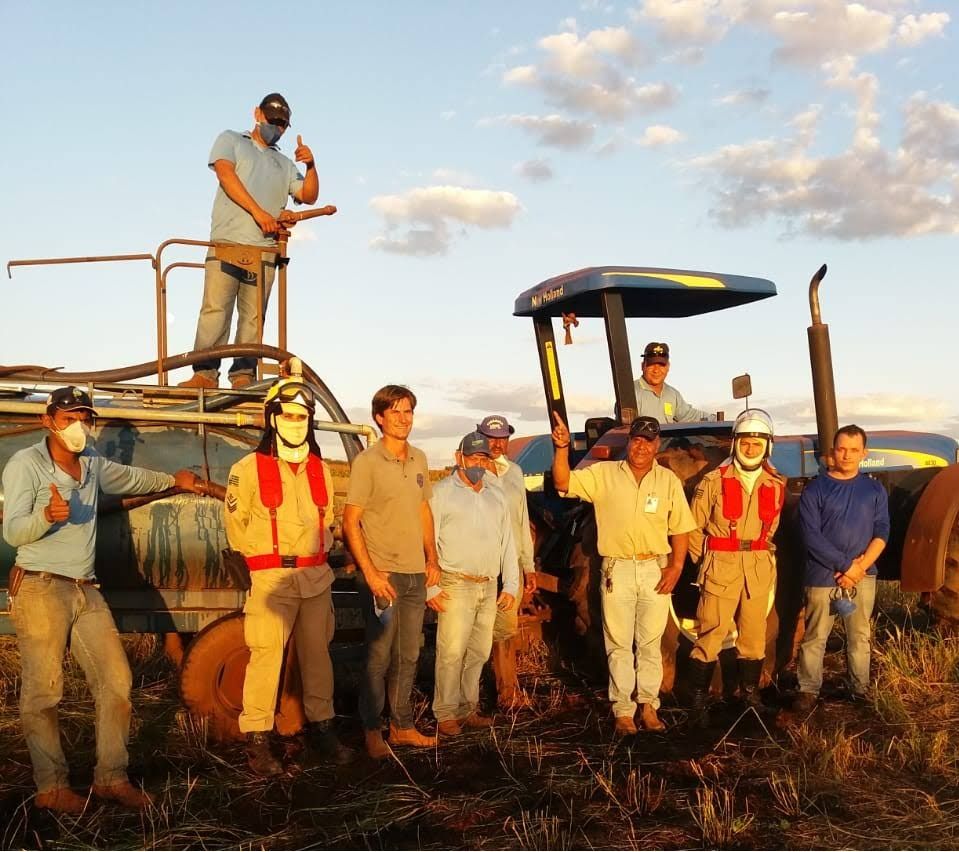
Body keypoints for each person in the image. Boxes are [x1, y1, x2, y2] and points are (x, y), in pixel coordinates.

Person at [1, 386, 201, 813]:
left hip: (85, 588)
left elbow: (132, 478)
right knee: (44, 693)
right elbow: (13, 532)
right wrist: (45, 517)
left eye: (84, 418)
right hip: (40, 586)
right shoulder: (26, 465)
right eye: (69, 416)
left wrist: (173, 481)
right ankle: (51, 787)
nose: (77, 425)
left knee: (116, 683)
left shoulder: (91, 464)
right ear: (47, 419)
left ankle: (111, 778)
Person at [223, 362, 354, 775]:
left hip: (316, 580)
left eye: (303, 417)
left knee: (319, 660)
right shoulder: (246, 469)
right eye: (289, 415)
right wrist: (265, 559)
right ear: (272, 418)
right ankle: (258, 742)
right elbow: (235, 527)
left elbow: (327, 519)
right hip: (271, 579)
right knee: (266, 658)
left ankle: (323, 730)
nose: (296, 423)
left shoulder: (321, 469)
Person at [551, 411, 696, 734]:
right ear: (629, 442)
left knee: (650, 642)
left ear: (657, 444)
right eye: (637, 440)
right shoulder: (604, 474)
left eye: (648, 440)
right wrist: (562, 449)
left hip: (653, 569)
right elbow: (563, 482)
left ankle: (649, 706)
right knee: (618, 643)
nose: (642, 447)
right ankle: (623, 711)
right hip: (617, 569)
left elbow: (681, 528)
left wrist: (676, 566)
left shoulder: (668, 481)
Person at [181, 93, 319, 390]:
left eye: (283, 124)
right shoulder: (231, 140)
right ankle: (204, 375)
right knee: (215, 311)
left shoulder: (283, 163)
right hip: (227, 242)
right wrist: (259, 213)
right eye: (273, 120)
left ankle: (243, 376)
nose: (277, 127)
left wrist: (311, 166)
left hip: (264, 250)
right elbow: (226, 175)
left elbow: (308, 195)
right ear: (257, 114)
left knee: (253, 318)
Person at [343, 385, 440, 758]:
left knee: (409, 653)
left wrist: (431, 558)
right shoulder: (367, 462)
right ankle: (371, 729)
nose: (403, 418)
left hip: (415, 573)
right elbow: (351, 522)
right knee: (379, 655)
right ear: (379, 418)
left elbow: (423, 511)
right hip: (384, 574)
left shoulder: (418, 459)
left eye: (408, 412)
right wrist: (370, 573)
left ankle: (401, 726)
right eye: (395, 412)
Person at [685, 410, 786, 719]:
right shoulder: (713, 481)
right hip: (721, 568)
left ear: (766, 446)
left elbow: (771, 530)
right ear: (735, 444)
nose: (750, 448)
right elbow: (692, 527)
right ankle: (698, 699)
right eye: (745, 442)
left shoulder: (775, 484)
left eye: (757, 443)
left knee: (754, 636)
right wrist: (707, 563)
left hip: (757, 570)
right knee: (711, 633)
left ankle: (750, 696)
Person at [428, 431, 519, 736]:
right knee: (451, 651)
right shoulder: (441, 493)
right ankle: (445, 713)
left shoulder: (497, 496)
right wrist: (432, 587)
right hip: (456, 581)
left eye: (484, 458)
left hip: (488, 583)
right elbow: (427, 543)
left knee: (478, 651)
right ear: (459, 457)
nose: (478, 463)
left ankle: (468, 708)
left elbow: (508, 543)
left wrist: (511, 585)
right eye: (473, 457)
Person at [794, 425, 889, 713]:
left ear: (864, 453)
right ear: (832, 452)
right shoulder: (816, 489)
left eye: (853, 450)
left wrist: (861, 566)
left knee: (859, 635)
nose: (847, 455)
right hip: (822, 575)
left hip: (863, 575)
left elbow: (882, 529)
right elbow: (811, 536)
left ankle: (859, 688)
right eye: (841, 449)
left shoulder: (874, 489)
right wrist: (846, 565)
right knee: (815, 636)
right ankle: (808, 690)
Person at [476, 414, 537, 709]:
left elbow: (522, 521)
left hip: (510, 566)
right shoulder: (469, 471)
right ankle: (466, 699)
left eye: (502, 438)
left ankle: (507, 694)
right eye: (491, 438)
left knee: (505, 631)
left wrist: (529, 566)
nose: (497, 444)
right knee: (475, 631)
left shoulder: (514, 472)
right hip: (480, 564)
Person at [633, 342, 714, 424]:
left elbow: (690, 416)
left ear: (668, 367)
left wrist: (716, 419)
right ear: (643, 366)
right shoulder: (630, 393)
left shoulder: (673, 394)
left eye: (661, 365)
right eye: (652, 365)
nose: (656, 370)